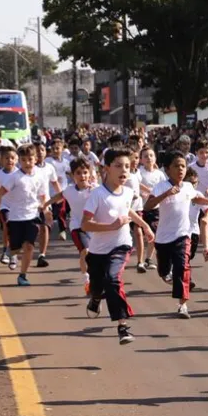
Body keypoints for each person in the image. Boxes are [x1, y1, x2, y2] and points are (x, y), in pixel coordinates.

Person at [82, 148, 155, 344]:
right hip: (97, 250)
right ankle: (96, 299)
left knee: (112, 279)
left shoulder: (128, 191)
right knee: (97, 287)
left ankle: (123, 326)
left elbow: (128, 211)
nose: (124, 170)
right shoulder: (97, 195)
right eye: (118, 166)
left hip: (120, 246)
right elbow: (85, 224)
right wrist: (110, 226)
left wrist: (145, 226)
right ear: (106, 169)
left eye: (127, 167)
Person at [145, 150, 208, 319]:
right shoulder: (161, 186)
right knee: (164, 271)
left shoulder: (188, 187)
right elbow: (148, 205)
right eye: (176, 166)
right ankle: (168, 276)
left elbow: (196, 199)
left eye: (183, 166)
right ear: (167, 170)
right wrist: (166, 194)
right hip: (164, 238)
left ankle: (183, 305)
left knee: (183, 267)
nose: (181, 169)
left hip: (183, 235)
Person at [0, 145, 50, 286]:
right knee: (16, 248)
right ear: (20, 161)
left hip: (32, 216)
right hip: (15, 217)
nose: (27, 163)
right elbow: (0, 193)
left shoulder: (40, 176)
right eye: (23, 160)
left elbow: (43, 195)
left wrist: (46, 209)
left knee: (29, 246)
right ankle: (9, 250)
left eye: (30, 159)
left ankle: (23, 275)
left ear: (35, 159)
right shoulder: (15, 177)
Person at [44, 158, 94, 294]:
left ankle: (96, 277)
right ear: (72, 176)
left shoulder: (96, 190)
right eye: (78, 173)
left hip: (95, 228)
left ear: (89, 174)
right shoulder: (69, 190)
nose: (82, 176)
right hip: (77, 227)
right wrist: (45, 205)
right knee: (85, 252)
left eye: (85, 172)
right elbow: (58, 196)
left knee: (97, 256)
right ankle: (87, 280)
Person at [0, 146, 19, 270]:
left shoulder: (19, 173)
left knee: (16, 232)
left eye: (12, 158)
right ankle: (6, 249)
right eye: (6, 158)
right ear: (1, 159)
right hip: (4, 205)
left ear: (17, 159)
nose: (9, 160)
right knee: (7, 226)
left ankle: (13, 254)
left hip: (18, 206)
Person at [137, 147, 167, 271]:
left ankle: (148, 259)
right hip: (140, 208)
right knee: (141, 234)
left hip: (155, 209)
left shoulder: (159, 174)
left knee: (153, 235)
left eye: (151, 155)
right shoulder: (139, 172)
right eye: (145, 156)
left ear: (155, 158)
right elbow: (135, 184)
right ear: (141, 160)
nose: (149, 158)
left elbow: (165, 187)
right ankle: (140, 260)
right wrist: (145, 192)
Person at [33, 142, 62, 267]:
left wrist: (61, 195)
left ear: (46, 152)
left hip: (45, 203)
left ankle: (42, 255)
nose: (40, 153)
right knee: (34, 229)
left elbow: (55, 182)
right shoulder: (29, 167)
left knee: (45, 227)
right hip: (30, 203)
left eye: (42, 150)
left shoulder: (49, 167)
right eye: (37, 150)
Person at [46, 139, 72, 241]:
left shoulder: (66, 162)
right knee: (51, 213)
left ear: (62, 149)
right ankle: (47, 228)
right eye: (53, 149)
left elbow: (71, 173)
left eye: (57, 148)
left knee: (62, 211)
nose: (55, 150)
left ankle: (62, 231)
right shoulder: (48, 161)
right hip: (50, 192)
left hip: (63, 191)